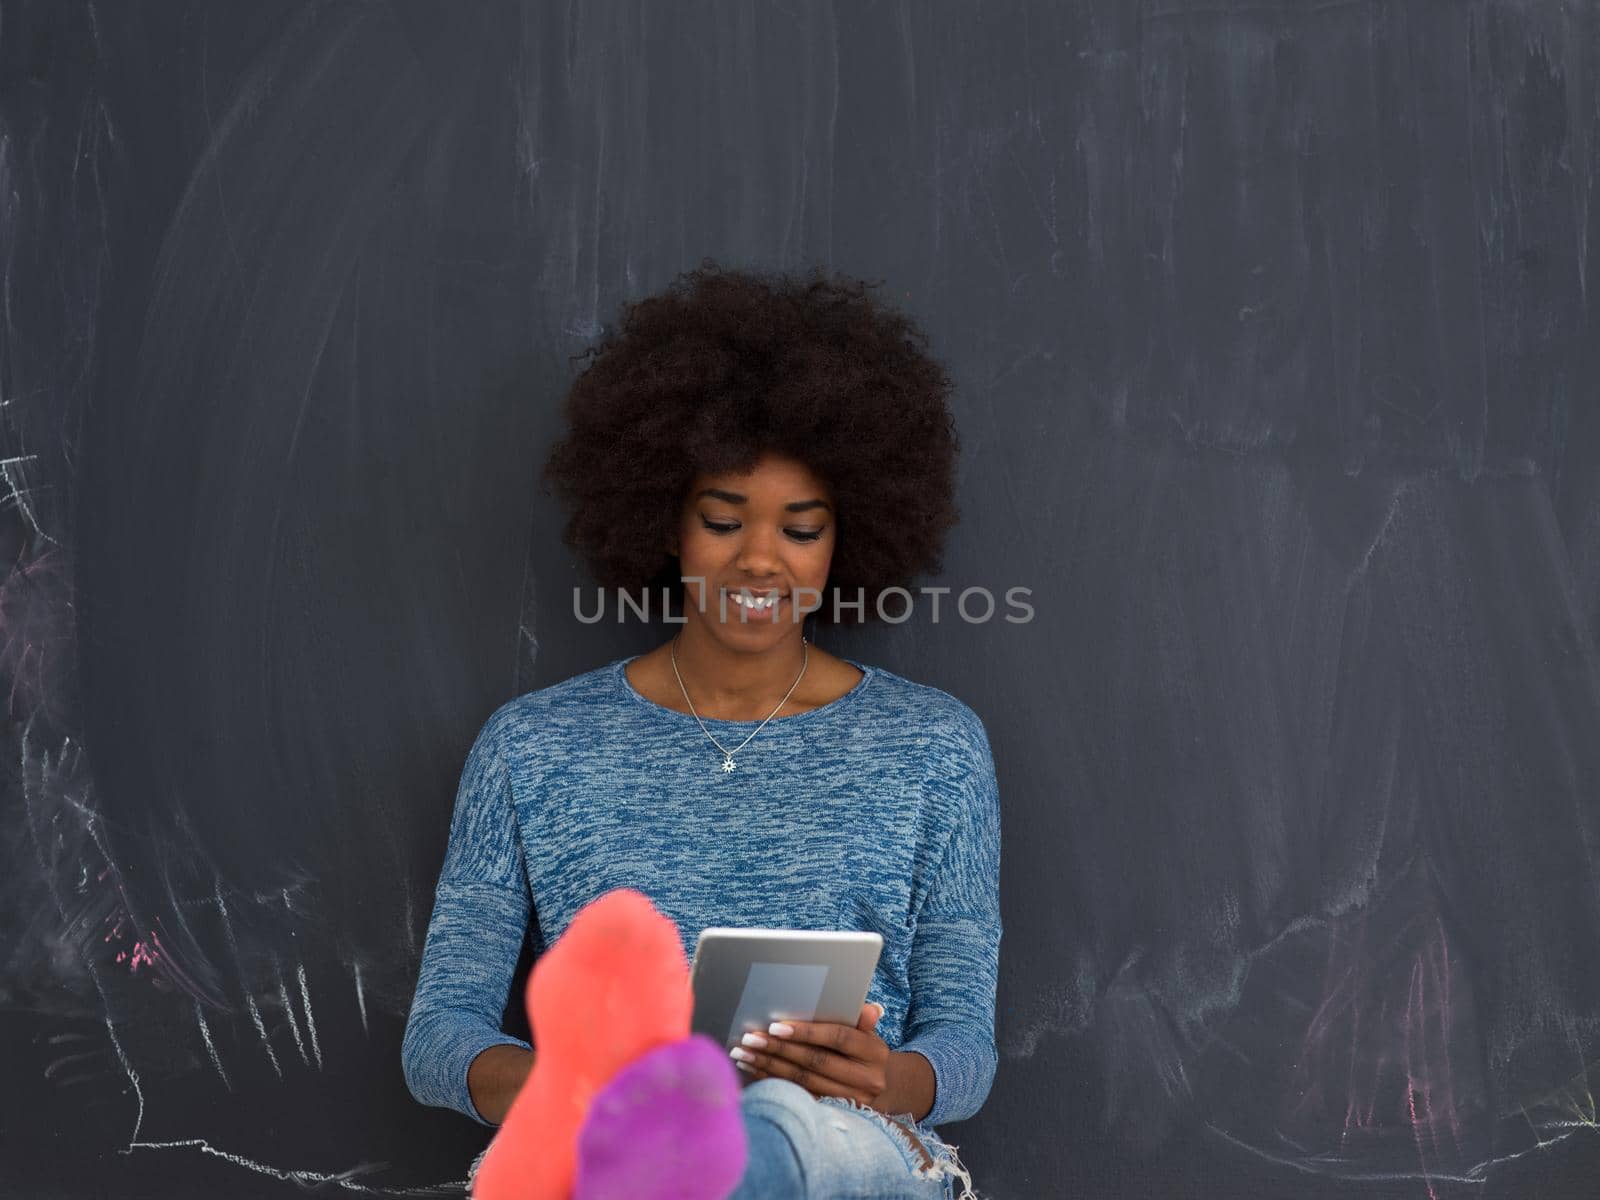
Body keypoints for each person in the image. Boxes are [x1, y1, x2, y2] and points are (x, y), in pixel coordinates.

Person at [401, 263, 1002, 1199]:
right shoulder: (532, 749)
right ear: (668, 523)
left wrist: (892, 1080)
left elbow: (963, 1039)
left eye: (801, 530)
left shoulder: (936, 748)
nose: (760, 557)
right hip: (610, 1146)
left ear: (846, 541)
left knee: (785, 1138)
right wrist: (575, 1086)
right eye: (724, 519)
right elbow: (440, 1037)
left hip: (844, 1153)